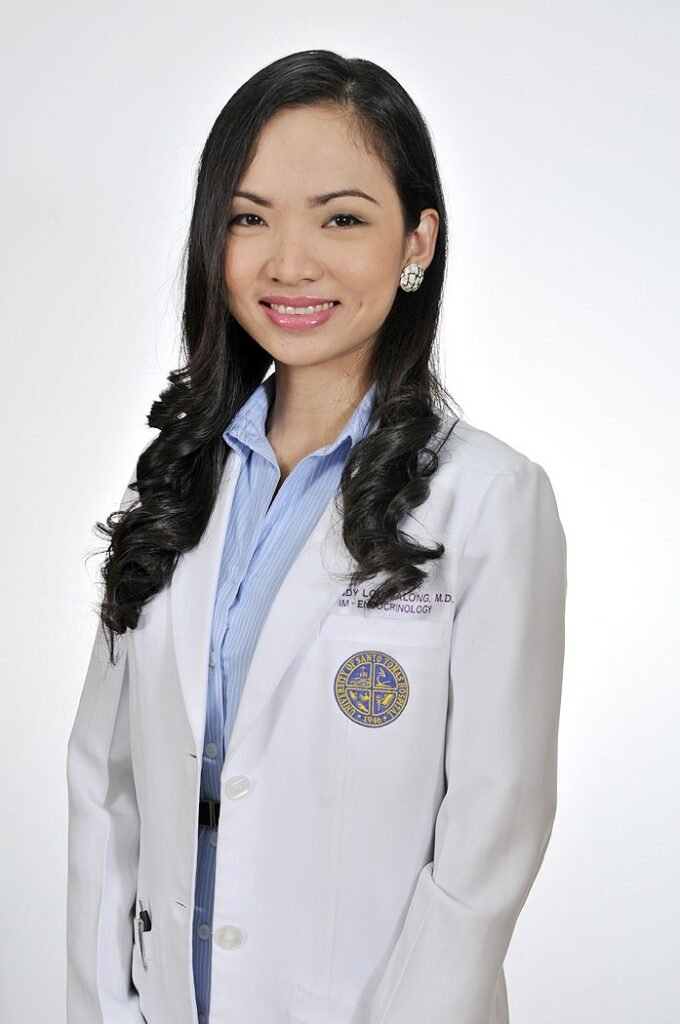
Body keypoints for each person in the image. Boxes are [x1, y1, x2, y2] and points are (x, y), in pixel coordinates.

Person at [66, 49, 567, 1024]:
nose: (289, 263)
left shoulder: (490, 500)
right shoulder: (175, 481)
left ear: (417, 241)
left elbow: (489, 840)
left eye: (340, 218)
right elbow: (104, 785)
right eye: (248, 218)